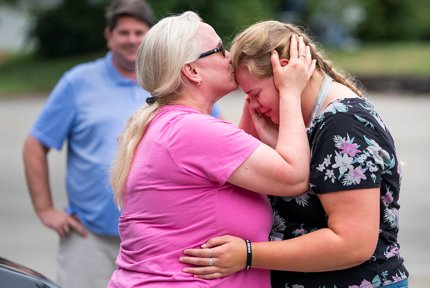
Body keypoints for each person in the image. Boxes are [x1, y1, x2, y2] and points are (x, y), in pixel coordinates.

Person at [180, 21, 409, 288]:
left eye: (254, 94)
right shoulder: (304, 122)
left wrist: (248, 254)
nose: (252, 105)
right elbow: (235, 182)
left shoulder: (343, 124)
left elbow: (353, 243)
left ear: (286, 72)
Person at [107, 11, 315, 287]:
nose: (230, 55)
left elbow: (233, 169)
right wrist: (290, 91)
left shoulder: (170, 124)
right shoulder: (192, 131)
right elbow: (294, 177)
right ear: (192, 70)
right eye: (218, 50)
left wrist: (254, 100)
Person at [22, 1, 157, 287]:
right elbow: (36, 144)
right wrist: (46, 209)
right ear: (109, 35)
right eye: (124, 32)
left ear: (151, 36)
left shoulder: (164, 81)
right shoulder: (77, 82)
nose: (131, 39)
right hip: (89, 238)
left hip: (152, 237)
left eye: (139, 32)